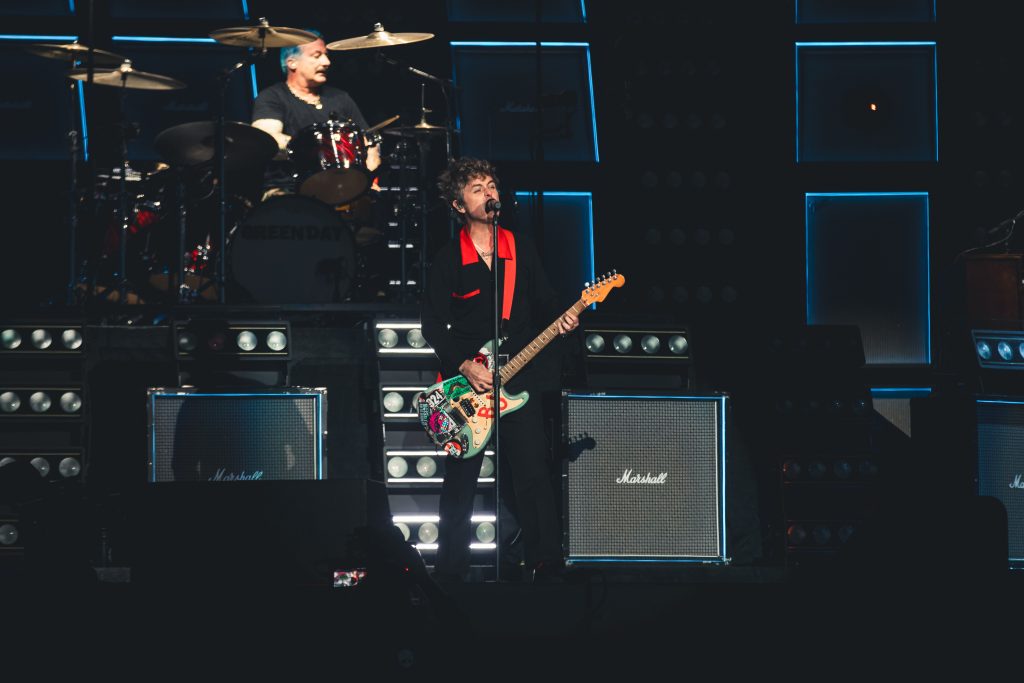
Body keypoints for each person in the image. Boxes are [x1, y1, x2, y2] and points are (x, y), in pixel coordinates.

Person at [420, 157, 579, 583]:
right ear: (457, 204)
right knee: (460, 487)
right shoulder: (449, 258)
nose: (489, 193)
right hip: (468, 389)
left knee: (532, 474)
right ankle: (449, 575)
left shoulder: (518, 247)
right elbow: (431, 324)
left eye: (492, 185)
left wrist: (564, 319)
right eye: (476, 188)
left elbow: (546, 303)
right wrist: (465, 364)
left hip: (518, 380)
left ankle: (546, 564)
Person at [251, 30, 380, 198]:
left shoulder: (340, 97)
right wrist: (317, 149)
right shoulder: (272, 96)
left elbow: (369, 142)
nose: (327, 62)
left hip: (342, 187)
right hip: (288, 189)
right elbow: (266, 139)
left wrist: (366, 180)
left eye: (326, 55)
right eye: (317, 55)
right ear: (292, 63)